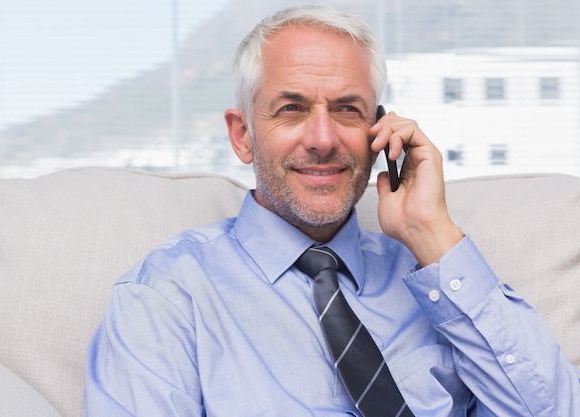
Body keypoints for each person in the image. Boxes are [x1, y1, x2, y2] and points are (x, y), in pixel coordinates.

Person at [83, 5, 580, 416]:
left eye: (347, 109)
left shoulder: (436, 282)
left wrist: (433, 233)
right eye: (291, 109)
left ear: (379, 133)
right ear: (242, 135)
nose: (323, 140)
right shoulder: (167, 297)